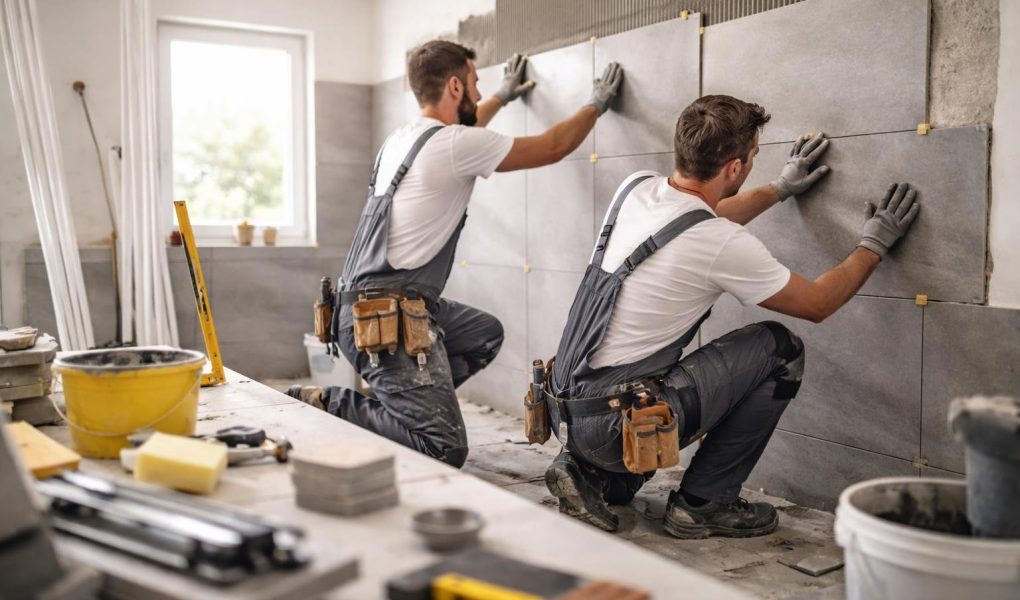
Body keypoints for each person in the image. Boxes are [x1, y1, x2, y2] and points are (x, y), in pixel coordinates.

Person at [542, 94, 920, 538]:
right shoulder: (718, 241)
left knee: (629, 475)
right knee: (780, 349)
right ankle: (704, 503)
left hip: (564, 408)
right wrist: (873, 244)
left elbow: (700, 216)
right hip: (610, 421)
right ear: (735, 167)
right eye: (754, 155)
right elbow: (817, 303)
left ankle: (589, 473)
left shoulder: (636, 188)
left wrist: (779, 189)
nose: (755, 163)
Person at [290, 40, 625, 468]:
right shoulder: (452, 145)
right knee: (442, 447)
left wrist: (502, 95)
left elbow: (465, 133)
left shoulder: (403, 140)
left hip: (359, 310)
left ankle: (402, 401)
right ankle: (330, 405)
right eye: (475, 82)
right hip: (386, 321)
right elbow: (553, 146)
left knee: (483, 334)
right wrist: (596, 104)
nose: (479, 93)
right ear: (454, 86)